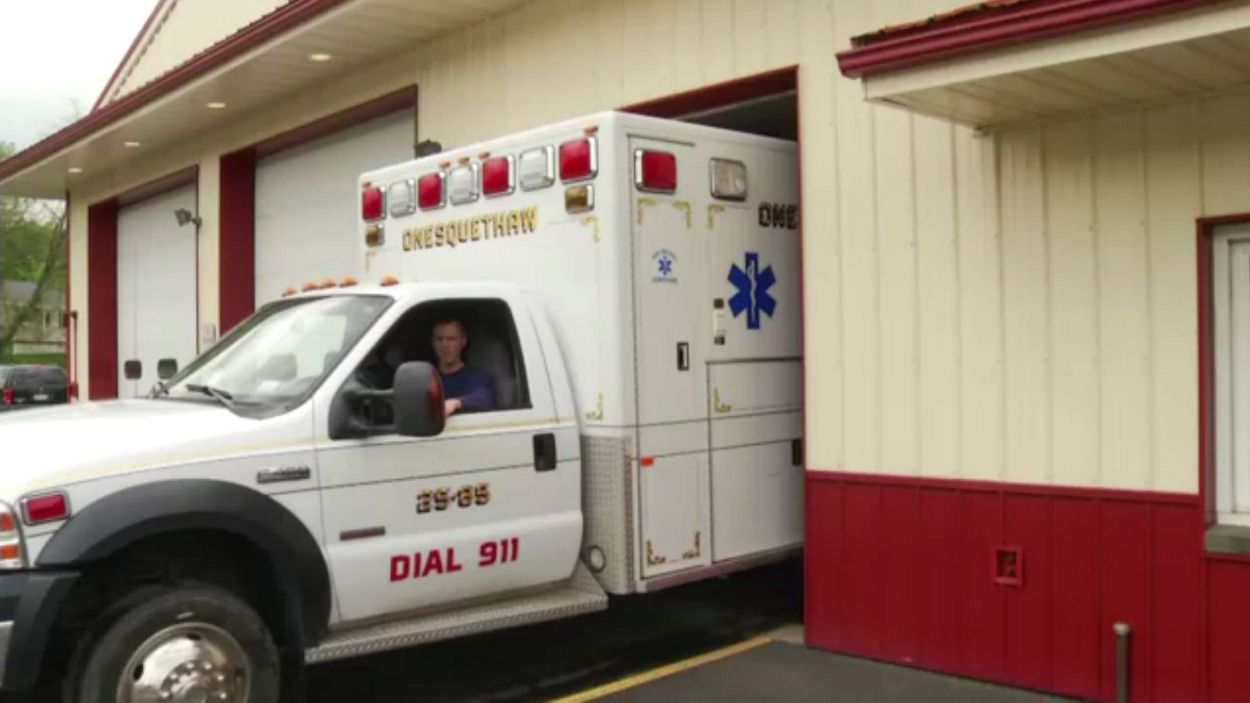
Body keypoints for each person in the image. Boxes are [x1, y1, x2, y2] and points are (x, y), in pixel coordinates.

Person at [432, 319, 496, 416]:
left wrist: (457, 403)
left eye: (451, 339)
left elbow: (485, 400)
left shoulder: (478, 378)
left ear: (463, 341)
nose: (445, 344)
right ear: (433, 342)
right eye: (439, 339)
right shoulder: (427, 380)